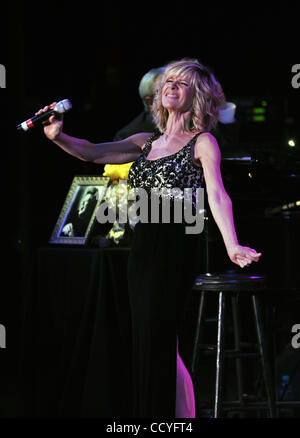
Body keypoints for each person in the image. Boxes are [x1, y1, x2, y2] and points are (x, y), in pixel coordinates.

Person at [35, 58, 261, 418]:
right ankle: (182, 417)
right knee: (155, 345)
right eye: (168, 82)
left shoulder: (202, 142)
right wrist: (58, 136)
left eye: (182, 83)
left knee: (156, 341)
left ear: (198, 95)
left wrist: (232, 244)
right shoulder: (145, 142)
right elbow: (93, 152)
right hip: (141, 252)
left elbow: (218, 195)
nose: (171, 87)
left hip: (175, 249)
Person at [113, 65, 239, 152]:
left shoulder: (200, 125)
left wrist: (222, 106)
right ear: (150, 102)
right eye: (165, 86)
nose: (173, 87)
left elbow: (228, 145)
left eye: (182, 83)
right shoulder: (128, 135)